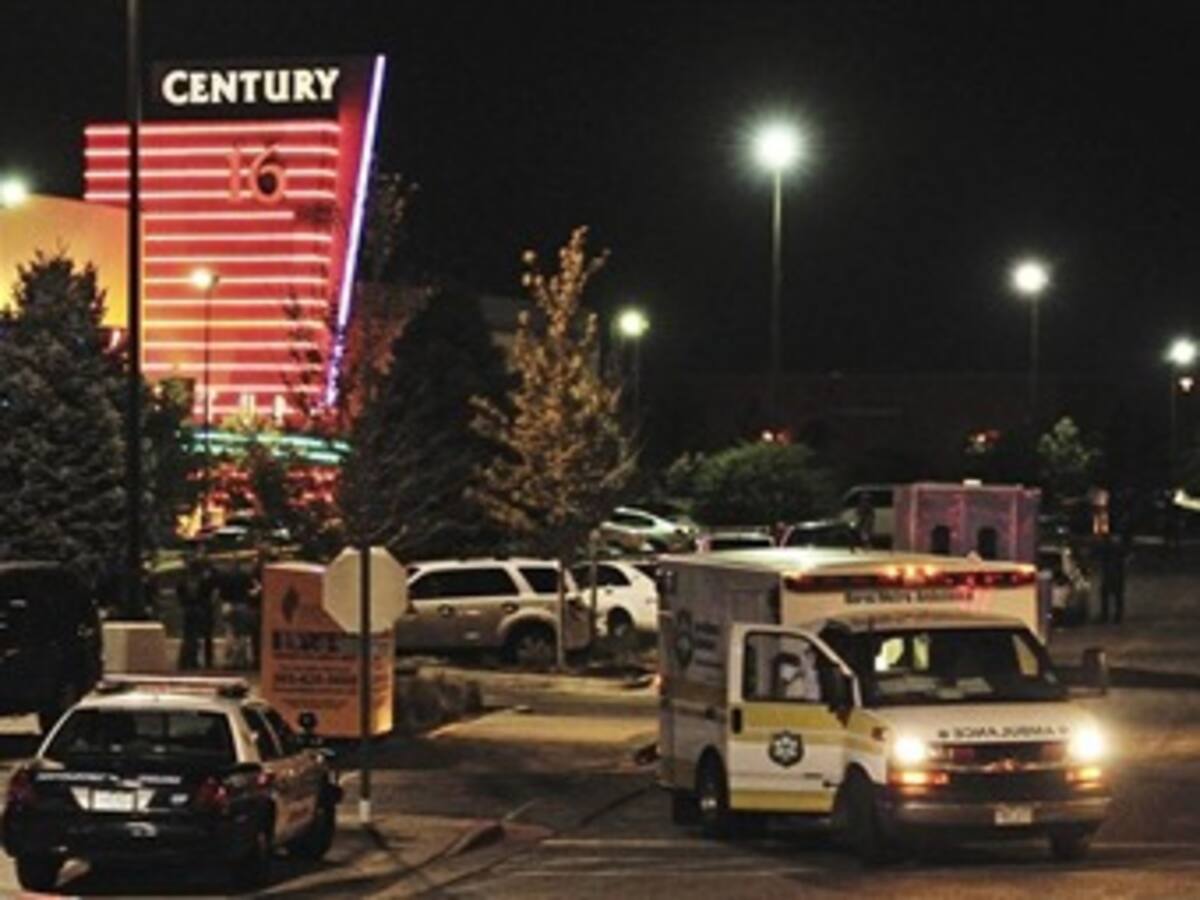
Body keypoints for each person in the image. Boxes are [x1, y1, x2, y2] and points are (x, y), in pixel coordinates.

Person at [1098, 531, 1130, 624]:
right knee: (1116, 594)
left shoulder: (1109, 545)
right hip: (1116, 570)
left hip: (1113, 570)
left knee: (1109, 593)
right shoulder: (1116, 545)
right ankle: (1116, 616)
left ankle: (1108, 615)